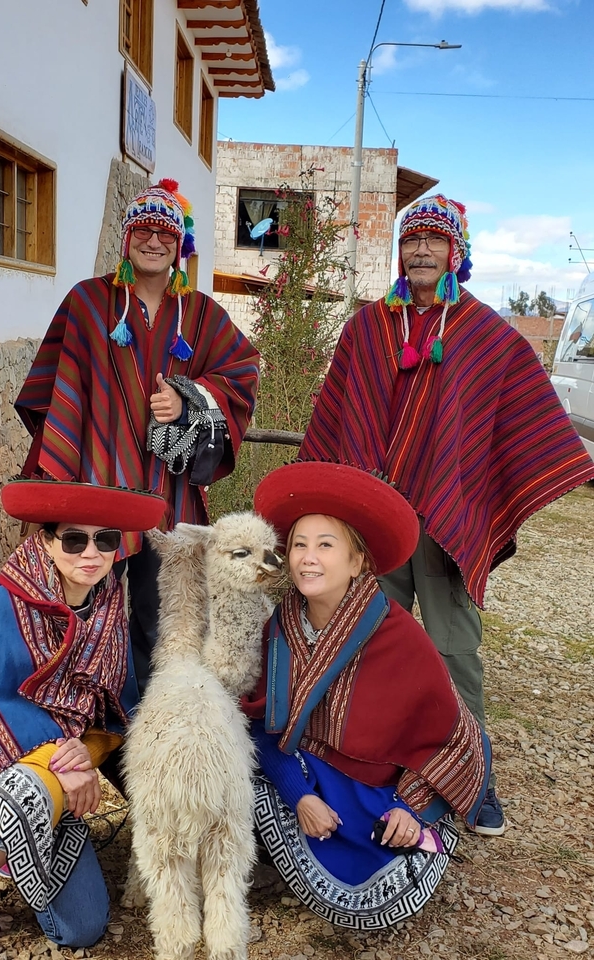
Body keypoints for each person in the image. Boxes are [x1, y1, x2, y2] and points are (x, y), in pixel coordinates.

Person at [298, 194, 594, 835]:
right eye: (412, 241)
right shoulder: (367, 327)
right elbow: (338, 413)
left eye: (435, 241)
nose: (422, 251)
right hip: (372, 523)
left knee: (454, 651)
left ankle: (474, 780)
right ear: (399, 252)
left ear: (457, 252)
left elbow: (521, 412)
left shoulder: (485, 334)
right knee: (371, 642)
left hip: (443, 520)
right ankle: (379, 767)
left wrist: (484, 489)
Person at [0, 480, 166, 960]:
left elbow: (112, 704)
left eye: (105, 539)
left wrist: (92, 749)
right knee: (29, 797)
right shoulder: (8, 600)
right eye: (74, 538)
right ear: (45, 541)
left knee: (82, 928)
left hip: (51, 764)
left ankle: (10, 843)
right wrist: (70, 762)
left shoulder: (105, 606)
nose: (91, 552)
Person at [15, 178, 259, 694]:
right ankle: (79, 715)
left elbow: (242, 368)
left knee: (162, 616)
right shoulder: (88, 302)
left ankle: (149, 720)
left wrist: (189, 395)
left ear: (180, 244)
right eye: (143, 230)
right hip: (95, 487)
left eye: (166, 233)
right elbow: (56, 390)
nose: (154, 241)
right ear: (127, 238)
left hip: (168, 497)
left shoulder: (200, 313)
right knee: (85, 610)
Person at [242, 461, 490, 929]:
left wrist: (412, 808)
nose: (307, 558)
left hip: (383, 793)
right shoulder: (279, 627)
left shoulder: (398, 635)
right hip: (305, 775)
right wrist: (298, 797)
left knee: (377, 901)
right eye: (298, 544)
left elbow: (454, 735)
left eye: (325, 545)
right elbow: (258, 723)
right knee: (227, 773)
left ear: (357, 562)